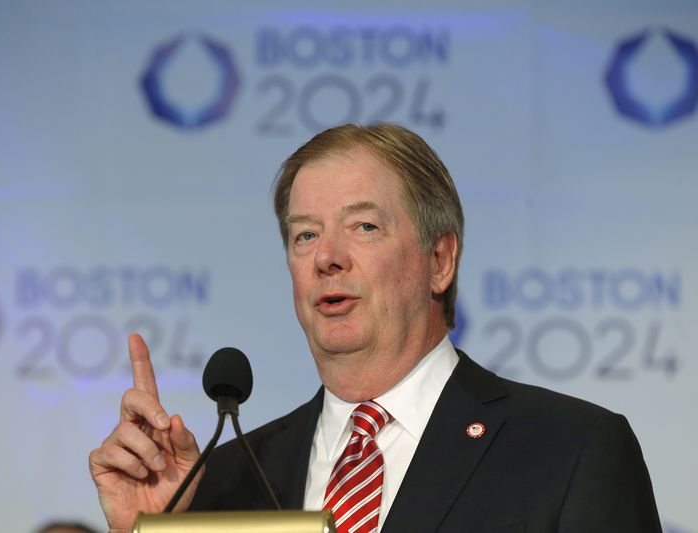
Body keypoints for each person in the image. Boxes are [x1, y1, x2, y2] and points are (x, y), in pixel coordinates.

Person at [89, 123, 661, 533]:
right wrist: (144, 531)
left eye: (363, 226)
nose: (326, 258)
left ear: (440, 260)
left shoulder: (571, 449)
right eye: (305, 235)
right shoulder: (226, 480)